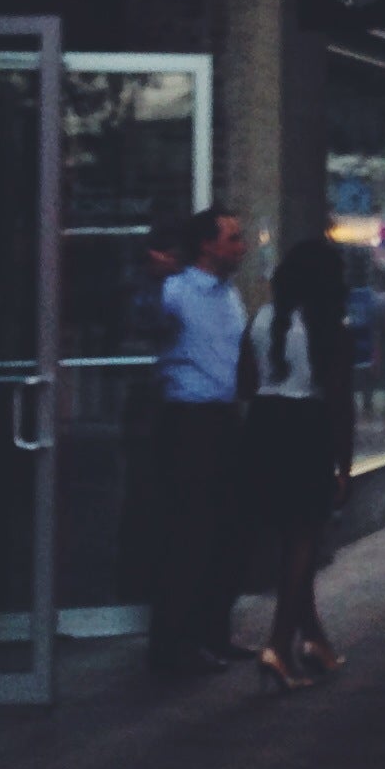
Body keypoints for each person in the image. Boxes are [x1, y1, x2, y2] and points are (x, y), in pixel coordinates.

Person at [240, 237, 353, 692]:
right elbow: (341, 401)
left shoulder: (262, 319)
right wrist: (344, 464)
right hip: (307, 425)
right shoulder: (329, 326)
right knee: (304, 538)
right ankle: (278, 643)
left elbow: (245, 382)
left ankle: (315, 641)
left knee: (290, 538)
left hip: (264, 424)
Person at [149, 206, 249, 675]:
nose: (241, 246)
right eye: (232, 238)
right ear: (208, 244)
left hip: (224, 419)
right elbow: (142, 323)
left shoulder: (231, 296)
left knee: (227, 531)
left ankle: (214, 633)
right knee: (188, 533)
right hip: (189, 421)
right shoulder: (176, 290)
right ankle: (175, 642)